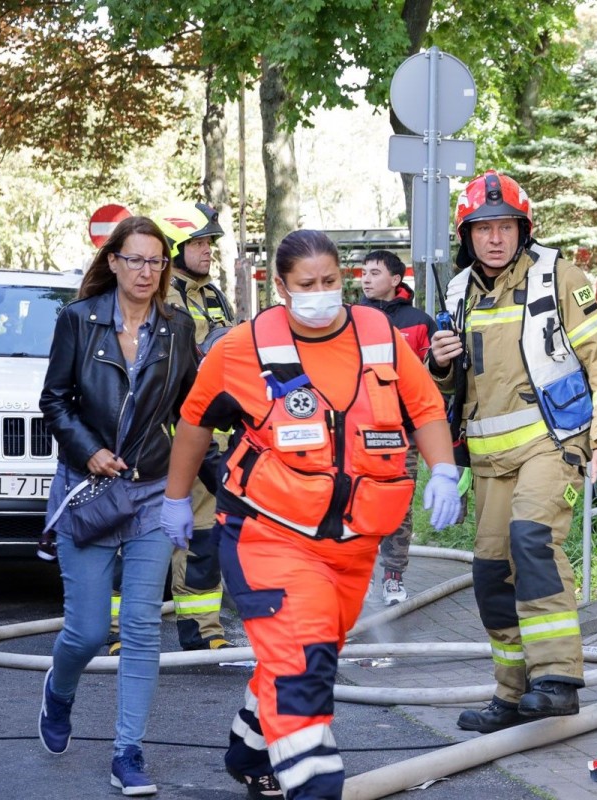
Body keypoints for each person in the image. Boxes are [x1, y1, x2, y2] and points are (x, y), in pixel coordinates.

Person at [160, 229, 460, 800]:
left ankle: (250, 752)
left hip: (352, 547)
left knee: (305, 654)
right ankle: (313, 786)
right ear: (281, 287)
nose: (321, 294)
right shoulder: (241, 348)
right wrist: (177, 496)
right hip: (268, 538)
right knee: (304, 667)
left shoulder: (378, 333)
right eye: (307, 285)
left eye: (330, 282)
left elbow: (422, 405)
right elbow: (196, 421)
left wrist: (443, 468)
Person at [428, 170, 597, 734]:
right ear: (467, 236)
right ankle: (512, 694)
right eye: (482, 228)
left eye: (505, 226)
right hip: (491, 460)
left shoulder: (560, 277)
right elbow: (454, 389)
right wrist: (440, 364)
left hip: (553, 444)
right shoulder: (457, 293)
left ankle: (558, 681)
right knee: (491, 574)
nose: (494, 238)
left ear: (523, 229)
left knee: (532, 541)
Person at [37, 215, 199, 796]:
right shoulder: (78, 321)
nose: (145, 271)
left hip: (152, 490)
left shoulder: (178, 329)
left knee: (139, 627)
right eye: (135, 259)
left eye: (155, 261)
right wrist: (90, 451)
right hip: (89, 492)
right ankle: (59, 690)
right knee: (83, 632)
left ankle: (127, 752)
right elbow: (53, 402)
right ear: (113, 261)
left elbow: (193, 412)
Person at [105, 201, 237, 656]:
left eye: (209, 243)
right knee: (135, 533)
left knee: (204, 534)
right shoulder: (156, 297)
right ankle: (122, 629)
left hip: (209, 434)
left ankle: (202, 628)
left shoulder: (213, 296)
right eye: (198, 243)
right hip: (157, 439)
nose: (207, 251)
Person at [359, 249, 436, 605]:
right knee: (359, 503)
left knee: (399, 507)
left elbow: (436, 378)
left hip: (403, 432)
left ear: (395, 279)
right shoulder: (351, 319)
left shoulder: (420, 322)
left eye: (375, 273)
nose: (366, 278)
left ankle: (393, 576)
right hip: (359, 432)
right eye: (364, 272)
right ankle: (362, 575)